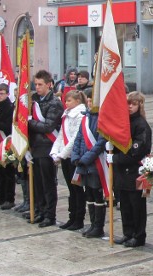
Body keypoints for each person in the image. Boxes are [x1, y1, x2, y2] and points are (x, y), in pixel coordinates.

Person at [113, 92, 152, 247]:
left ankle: (138, 235)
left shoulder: (141, 125)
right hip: (122, 172)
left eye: (133, 104)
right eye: (128, 103)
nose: (129, 107)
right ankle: (127, 232)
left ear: (140, 105)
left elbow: (137, 151)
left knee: (137, 206)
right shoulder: (124, 123)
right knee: (124, 205)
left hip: (135, 171)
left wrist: (115, 158)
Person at [27, 70, 64, 227]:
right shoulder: (34, 100)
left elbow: (48, 126)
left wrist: (30, 122)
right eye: (35, 84)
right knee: (37, 183)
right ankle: (40, 211)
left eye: (40, 84)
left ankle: (50, 215)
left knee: (48, 183)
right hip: (36, 146)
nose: (37, 87)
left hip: (48, 146)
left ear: (49, 84)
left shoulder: (54, 103)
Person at [71, 92, 108, 238]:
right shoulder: (85, 118)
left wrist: (85, 158)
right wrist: (76, 156)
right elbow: (79, 138)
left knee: (97, 194)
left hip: (96, 163)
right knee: (89, 194)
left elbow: (100, 142)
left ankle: (98, 226)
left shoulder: (103, 119)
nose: (91, 103)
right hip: (83, 163)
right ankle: (92, 224)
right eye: (90, 100)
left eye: (94, 100)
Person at [50, 89, 87, 230]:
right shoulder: (66, 115)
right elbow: (61, 135)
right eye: (65, 100)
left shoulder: (80, 115)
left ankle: (79, 218)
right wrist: (54, 152)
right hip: (65, 156)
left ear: (77, 101)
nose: (66, 103)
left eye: (69, 100)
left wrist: (62, 154)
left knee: (77, 189)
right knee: (71, 190)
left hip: (74, 157)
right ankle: (72, 217)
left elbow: (74, 139)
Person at [0, 83, 15, 209]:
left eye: (2, 94)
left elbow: (7, 127)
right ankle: (0, 196)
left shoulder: (10, 108)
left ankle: (9, 198)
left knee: (8, 173)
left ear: (7, 94)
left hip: (7, 143)